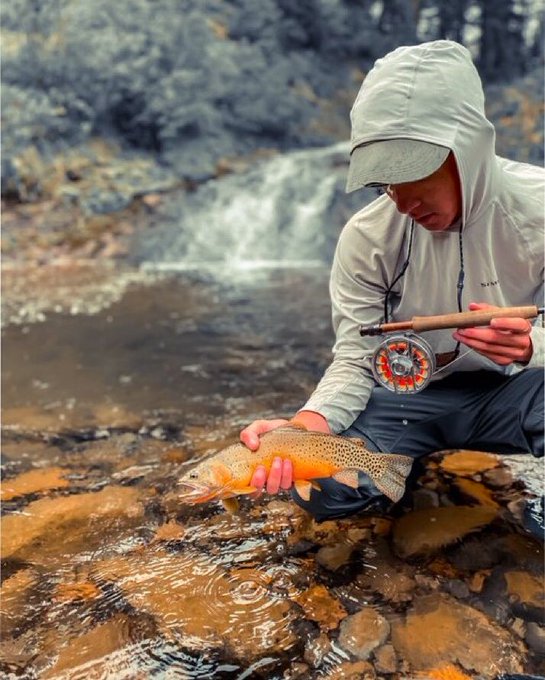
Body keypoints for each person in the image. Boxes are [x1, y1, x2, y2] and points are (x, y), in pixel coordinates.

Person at [240, 40, 544, 525]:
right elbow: (355, 359)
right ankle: (401, 473)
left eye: (413, 172)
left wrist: (531, 347)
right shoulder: (366, 236)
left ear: (468, 149)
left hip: (516, 395)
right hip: (402, 401)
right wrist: (299, 435)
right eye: (385, 181)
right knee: (322, 492)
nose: (401, 201)